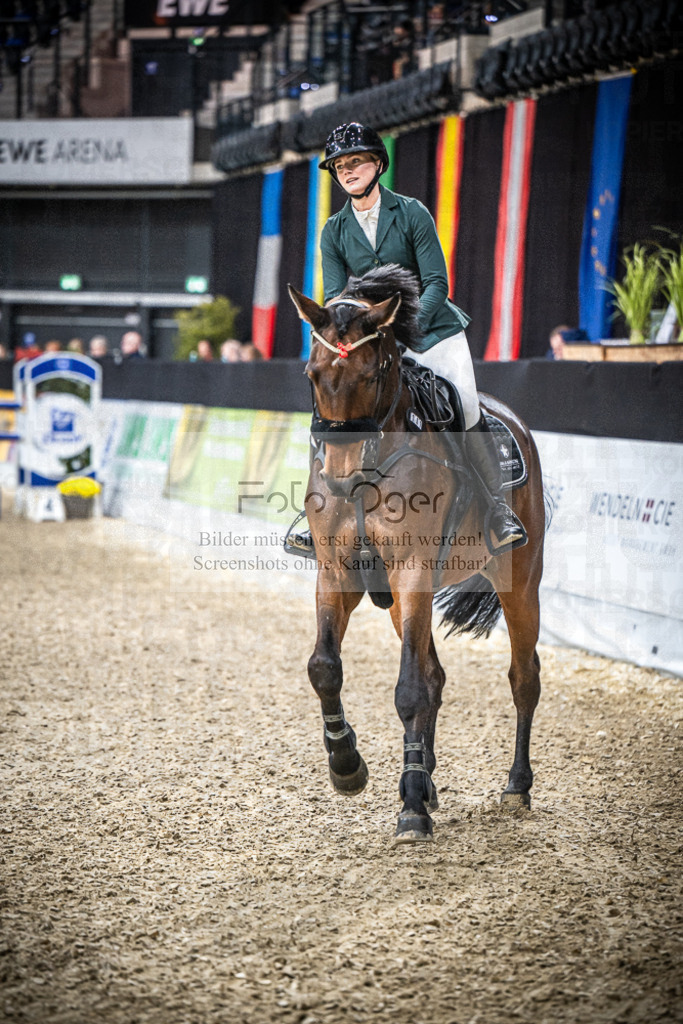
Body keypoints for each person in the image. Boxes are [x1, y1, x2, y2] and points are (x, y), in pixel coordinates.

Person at [316, 122, 526, 553]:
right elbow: (337, 298)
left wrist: (403, 326)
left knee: (465, 404)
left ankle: (497, 510)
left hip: (433, 333)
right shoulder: (333, 230)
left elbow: (436, 283)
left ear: (378, 164)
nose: (347, 170)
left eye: (356, 161)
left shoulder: (412, 213)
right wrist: (354, 338)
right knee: (331, 406)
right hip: (373, 342)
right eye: (339, 166)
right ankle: (318, 512)